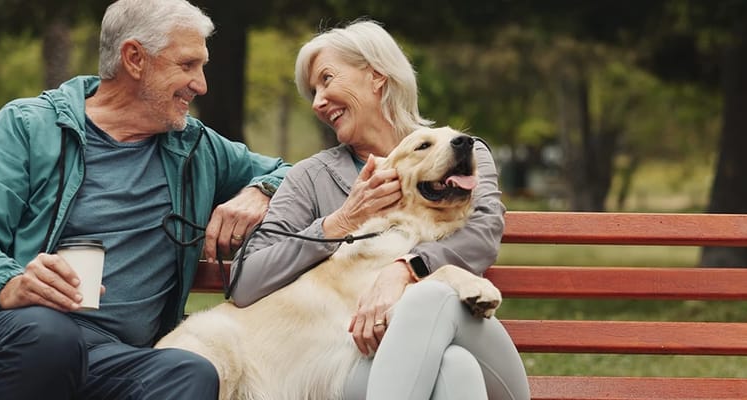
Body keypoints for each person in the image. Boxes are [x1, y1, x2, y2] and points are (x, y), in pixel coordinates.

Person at [0, 1, 291, 398]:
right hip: (4, 338)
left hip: (107, 360)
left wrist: (261, 190)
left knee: (189, 371)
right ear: (134, 58)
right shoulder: (29, 126)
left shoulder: (196, 149)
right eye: (186, 65)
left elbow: (295, 172)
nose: (201, 85)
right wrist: (9, 283)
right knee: (51, 337)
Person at [228, 20, 531, 400]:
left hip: (463, 332)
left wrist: (405, 269)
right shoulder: (310, 178)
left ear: (376, 77)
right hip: (358, 361)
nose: (318, 101)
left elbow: (482, 232)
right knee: (454, 370)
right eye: (313, 91)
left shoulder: (460, 151)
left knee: (431, 298)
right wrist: (341, 222)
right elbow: (246, 282)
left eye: (326, 79)